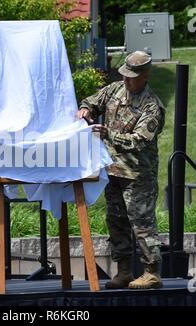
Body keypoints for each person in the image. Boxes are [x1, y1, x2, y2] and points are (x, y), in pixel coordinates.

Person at [77, 51, 165, 289]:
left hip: (137, 176)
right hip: (113, 172)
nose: (126, 81)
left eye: (132, 77)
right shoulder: (115, 89)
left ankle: (151, 272)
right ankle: (124, 270)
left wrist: (109, 134)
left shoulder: (152, 106)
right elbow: (93, 100)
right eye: (125, 76)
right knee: (116, 222)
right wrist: (86, 108)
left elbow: (139, 141)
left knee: (142, 224)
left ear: (145, 77)